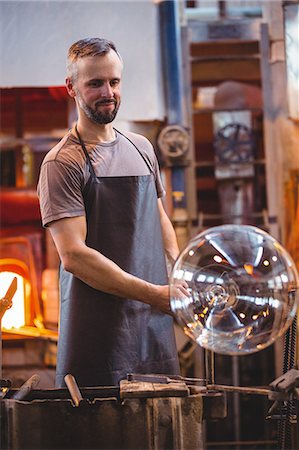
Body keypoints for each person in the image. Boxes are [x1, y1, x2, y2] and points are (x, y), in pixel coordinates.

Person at [37, 37, 181, 388]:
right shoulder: (62, 162)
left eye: (114, 82)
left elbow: (158, 218)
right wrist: (155, 294)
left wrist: (177, 276)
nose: (108, 92)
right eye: (95, 84)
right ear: (71, 87)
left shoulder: (142, 148)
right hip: (98, 333)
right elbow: (74, 255)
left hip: (152, 326)